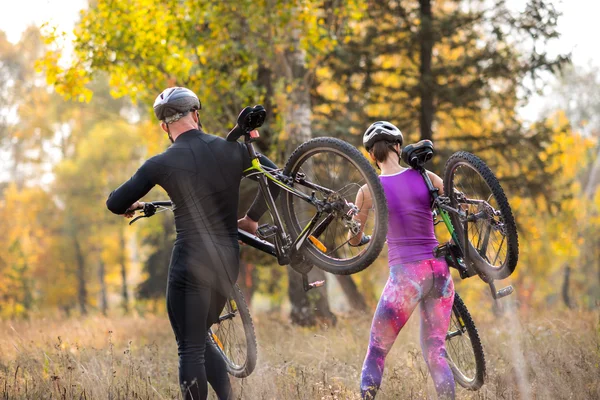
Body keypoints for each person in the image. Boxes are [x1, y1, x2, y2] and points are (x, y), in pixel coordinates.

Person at [106, 87, 277, 400]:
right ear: (197, 115)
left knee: (190, 347)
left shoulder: (160, 163)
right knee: (200, 337)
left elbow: (115, 202)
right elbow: (277, 179)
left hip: (191, 261)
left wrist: (133, 204)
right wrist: (251, 218)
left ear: (164, 127)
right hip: (226, 262)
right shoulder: (234, 151)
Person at [351, 121, 455, 399]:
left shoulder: (366, 191)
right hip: (440, 271)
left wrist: (354, 224)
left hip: (407, 276)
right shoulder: (426, 177)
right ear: (398, 147)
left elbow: (353, 239)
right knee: (436, 351)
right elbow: (455, 206)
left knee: (377, 350)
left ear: (372, 155)